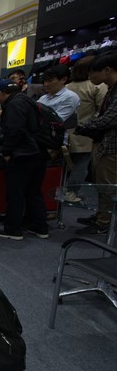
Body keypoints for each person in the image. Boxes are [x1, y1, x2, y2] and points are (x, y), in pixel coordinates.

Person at [0, 79, 49, 240]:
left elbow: (15, 130)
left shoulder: (13, 105)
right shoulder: (28, 101)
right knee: (34, 192)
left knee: (15, 193)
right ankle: (40, 227)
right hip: (38, 152)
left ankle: (13, 229)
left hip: (22, 154)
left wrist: (7, 151)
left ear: (1, 93)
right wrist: (2, 141)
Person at [73, 52, 117, 235]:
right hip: (103, 143)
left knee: (107, 185)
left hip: (112, 146)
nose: (90, 77)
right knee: (100, 182)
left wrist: (86, 126)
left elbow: (110, 118)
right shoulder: (111, 89)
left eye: (93, 73)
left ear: (107, 70)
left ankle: (104, 222)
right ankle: (101, 215)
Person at [65, 56, 108, 201]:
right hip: (87, 134)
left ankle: (67, 191)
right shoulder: (97, 87)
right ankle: (71, 193)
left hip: (68, 132)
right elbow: (102, 110)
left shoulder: (67, 87)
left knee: (69, 165)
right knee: (81, 165)